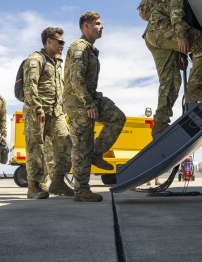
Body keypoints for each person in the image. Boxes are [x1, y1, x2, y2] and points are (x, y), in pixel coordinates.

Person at [143, 0, 202, 137]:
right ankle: (194, 89)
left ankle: (160, 123)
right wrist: (181, 35)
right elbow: (176, 10)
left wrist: (179, 52)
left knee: (170, 80)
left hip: (152, 34)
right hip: (162, 28)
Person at [64, 11, 126, 202]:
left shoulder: (90, 49)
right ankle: (81, 190)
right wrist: (88, 103)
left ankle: (97, 154)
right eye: (97, 24)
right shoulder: (79, 47)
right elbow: (75, 78)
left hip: (89, 97)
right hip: (78, 103)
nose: (102, 27)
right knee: (82, 145)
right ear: (86, 27)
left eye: (101, 23)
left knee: (117, 117)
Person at [22, 27, 75, 199]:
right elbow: (30, 86)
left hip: (56, 112)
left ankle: (57, 182)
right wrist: (37, 107)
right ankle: (34, 186)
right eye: (60, 42)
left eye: (63, 42)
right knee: (36, 148)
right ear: (48, 41)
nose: (63, 45)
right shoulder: (35, 59)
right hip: (37, 111)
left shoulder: (57, 63)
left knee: (67, 142)